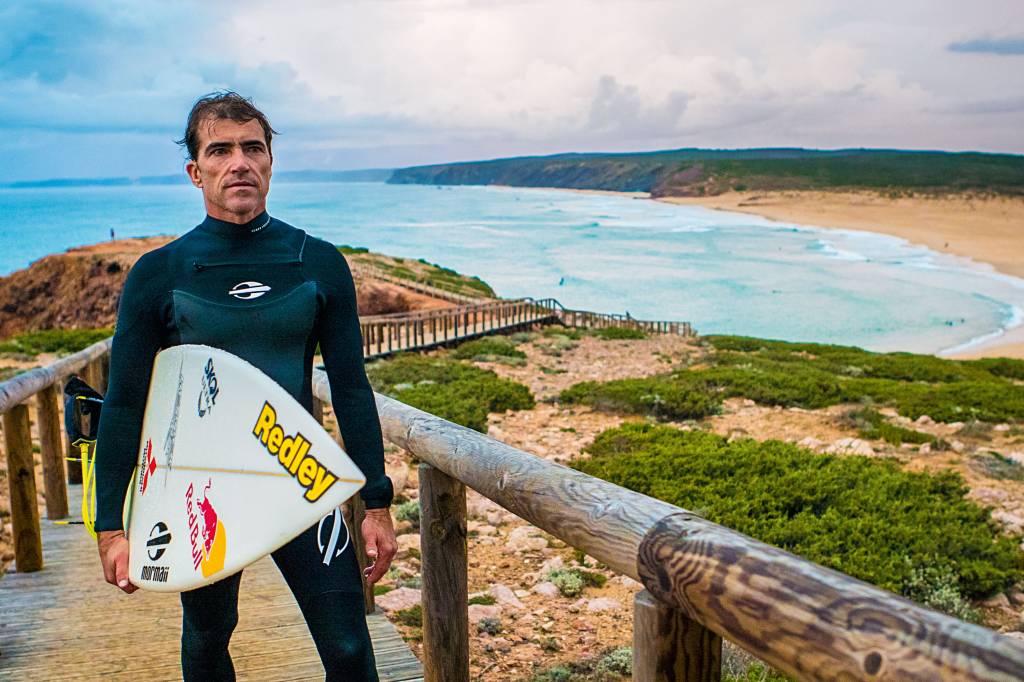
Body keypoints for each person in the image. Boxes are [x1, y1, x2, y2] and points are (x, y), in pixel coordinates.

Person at [93, 91, 396, 681]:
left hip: (301, 479)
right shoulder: (160, 273)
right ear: (195, 170)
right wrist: (111, 526)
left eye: (252, 148)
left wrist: (377, 504)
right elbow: (125, 403)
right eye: (220, 150)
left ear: (270, 163)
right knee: (207, 641)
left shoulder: (317, 261)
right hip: (201, 491)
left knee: (351, 650)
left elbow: (353, 390)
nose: (240, 163)